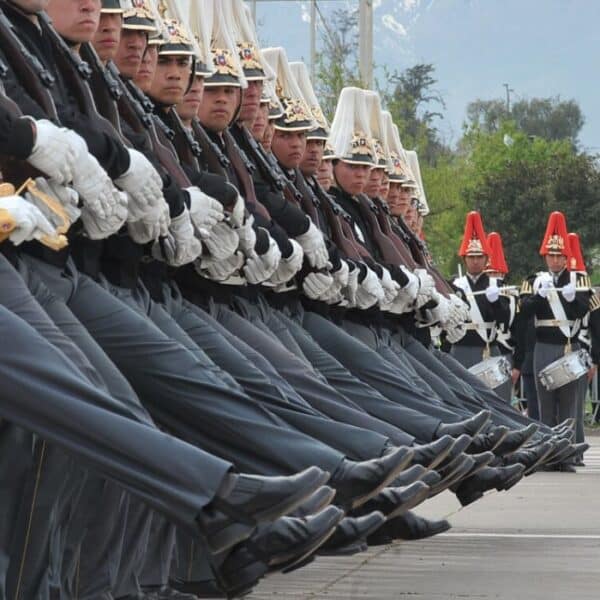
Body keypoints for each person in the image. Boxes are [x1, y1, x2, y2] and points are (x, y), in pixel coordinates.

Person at [516, 212, 592, 471]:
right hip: (544, 346)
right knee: (545, 402)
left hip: (568, 345)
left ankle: (568, 455)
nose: (556, 260)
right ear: (545, 256)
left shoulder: (578, 280)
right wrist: (539, 296)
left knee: (570, 404)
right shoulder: (533, 279)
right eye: (552, 255)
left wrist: (571, 298)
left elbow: (584, 311)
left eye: (560, 255)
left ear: (566, 257)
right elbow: (524, 311)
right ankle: (549, 454)